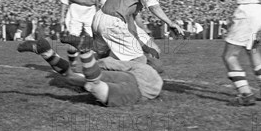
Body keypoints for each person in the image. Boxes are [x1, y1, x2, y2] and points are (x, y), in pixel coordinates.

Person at [17, 37, 162, 106]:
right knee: (92, 85)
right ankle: (85, 51)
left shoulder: (138, 65)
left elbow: (108, 63)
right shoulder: (155, 80)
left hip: (126, 76)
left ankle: (46, 53)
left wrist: (94, 64)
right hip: (135, 88)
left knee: (72, 78)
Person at [92, 0, 184, 63]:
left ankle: (86, 72)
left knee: (101, 57)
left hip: (98, 19)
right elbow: (154, 7)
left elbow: (131, 23)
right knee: (139, 60)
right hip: (113, 22)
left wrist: (141, 44)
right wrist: (170, 23)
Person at [60, 0, 108, 65]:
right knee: (73, 42)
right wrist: (62, 16)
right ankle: (72, 65)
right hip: (75, 11)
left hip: (90, 11)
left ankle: (91, 67)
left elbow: (105, 1)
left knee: (91, 42)